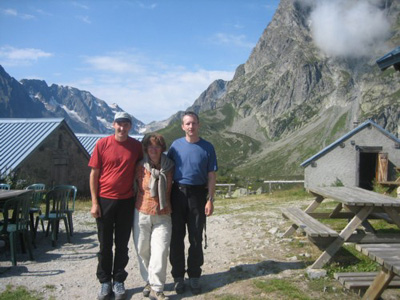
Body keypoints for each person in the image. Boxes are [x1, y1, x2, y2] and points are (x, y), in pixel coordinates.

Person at [89, 112, 143, 300]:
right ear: (113, 125)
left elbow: (143, 169)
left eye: (126, 124)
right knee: (105, 244)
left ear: (130, 126)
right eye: (119, 124)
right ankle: (105, 282)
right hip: (105, 200)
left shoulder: (136, 146)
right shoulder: (102, 144)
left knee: (122, 244)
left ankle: (119, 280)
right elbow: (94, 174)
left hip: (127, 201)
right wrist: (95, 202)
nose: (122, 127)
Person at [167, 111, 218, 295]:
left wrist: (210, 200)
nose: (191, 127)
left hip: (198, 195)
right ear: (182, 126)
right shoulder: (175, 146)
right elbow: (167, 172)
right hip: (177, 193)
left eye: (194, 123)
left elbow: (211, 175)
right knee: (176, 238)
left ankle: (195, 275)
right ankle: (178, 277)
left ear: (199, 125)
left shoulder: (207, 147)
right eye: (187, 124)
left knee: (196, 237)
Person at [133, 133, 174, 300]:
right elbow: (134, 187)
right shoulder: (140, 166)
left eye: (157, 146)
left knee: (161, 251)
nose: (153, 149)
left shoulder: (170, 166)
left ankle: (157, 288)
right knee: (142, 249)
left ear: (162, 148)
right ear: (146, 149)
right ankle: (148, 280)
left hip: (163, 214)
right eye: (150, 146)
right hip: (142, 212)